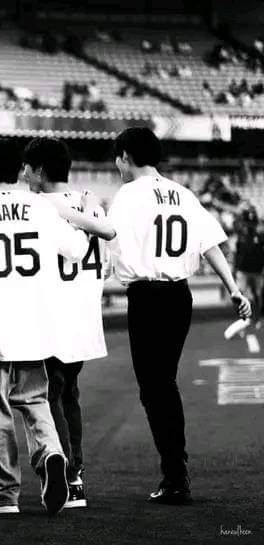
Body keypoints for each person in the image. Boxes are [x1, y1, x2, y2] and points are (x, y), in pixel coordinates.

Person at [108, 127, 251, 505]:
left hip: (147, 296)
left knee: (155, 387)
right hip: (179, 296)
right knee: (163, 383)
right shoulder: (183, 193)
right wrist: (233, 288)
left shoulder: (127, 195)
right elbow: (210, 244)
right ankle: (174, 470)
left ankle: (175, 473)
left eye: (117, 158)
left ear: (125, 156)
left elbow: (110, 241)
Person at [0, 138, 89, 516]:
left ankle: (3, 492)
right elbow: (77, 250)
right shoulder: (41, 207)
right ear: (19, 170)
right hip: (36, 321)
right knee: (35, 399)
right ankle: (52, 453)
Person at [23, 136, 112, 509]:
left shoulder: (36, 207)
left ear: (40, 171)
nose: (23, 174)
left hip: (52, 311)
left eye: (27, 167)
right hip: (85, 311)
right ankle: (76, 473)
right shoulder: (90, 205)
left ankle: (69, 475)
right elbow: (105, 259)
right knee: (68, 391)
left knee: (51, 392)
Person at [224, 204, 264, 343]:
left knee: (258, 295)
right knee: (241, 296)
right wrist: (234, 271)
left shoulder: (260, 235)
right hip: (243, 271)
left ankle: (257, 319)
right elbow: (236, 254)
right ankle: (243, 320)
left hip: (257, 270)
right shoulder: (240, 235)